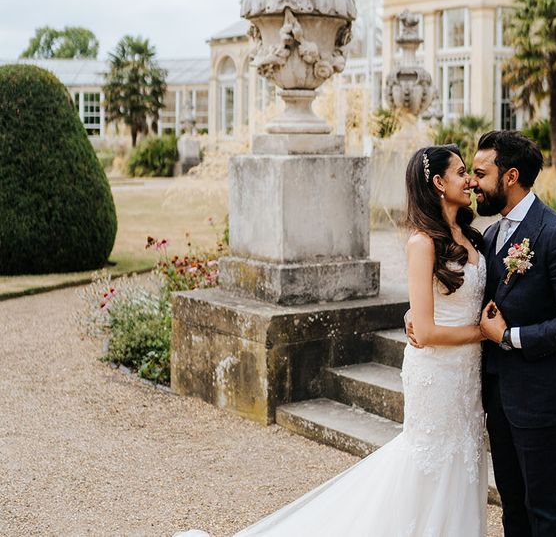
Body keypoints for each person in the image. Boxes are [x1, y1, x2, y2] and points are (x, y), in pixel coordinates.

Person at [175, 144, 490, 537]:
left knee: (465, 459)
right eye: (462, 172)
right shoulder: (422, 243)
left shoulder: (475, 238)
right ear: (440, 183)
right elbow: (424, 332)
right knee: (430, 462)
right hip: (438, 376)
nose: (470, 180)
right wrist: (482, 332)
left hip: (469, 376)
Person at [469, 130, 556, 537]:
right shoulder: (490, 235)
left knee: (543, 508)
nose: (473, 182)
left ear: (509, 176)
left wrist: (511, 337)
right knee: (512, 505)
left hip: (543, 395)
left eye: (480, 173)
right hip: (499, 394)